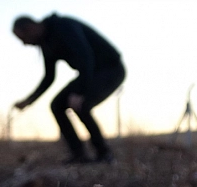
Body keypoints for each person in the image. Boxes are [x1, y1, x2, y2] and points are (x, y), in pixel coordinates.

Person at [12, 14, 125, 164]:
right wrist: (29, 101)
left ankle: (105, 155)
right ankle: (78, 154)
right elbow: (49, 77)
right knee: (57, 105)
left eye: (23, 38)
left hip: (111, 68)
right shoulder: (46, 43)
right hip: (90, 72)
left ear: (31, 28)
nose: (25, 44)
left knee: (81, 105)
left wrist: (80, 92)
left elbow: (86, 56)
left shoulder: (62, 26)